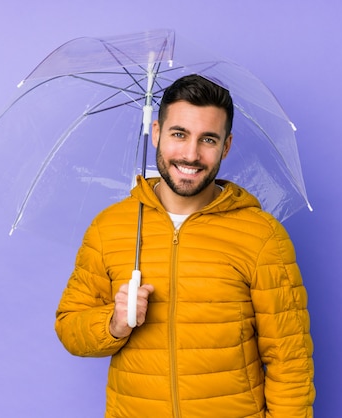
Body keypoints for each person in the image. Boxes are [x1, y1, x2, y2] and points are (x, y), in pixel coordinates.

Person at [55, 74, 315, 417]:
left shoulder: (263, 237)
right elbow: (70, 328)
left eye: (208, 139)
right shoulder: (110, 228)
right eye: (179, 134)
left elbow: (290, 362)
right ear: (158, 133)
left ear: (226, 146)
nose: (191, 155)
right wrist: (113, 323)